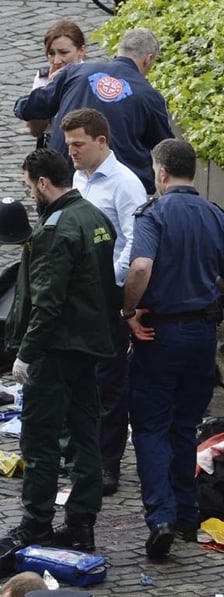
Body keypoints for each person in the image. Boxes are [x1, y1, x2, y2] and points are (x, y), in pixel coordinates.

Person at [2, 148, 117, 552]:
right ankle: (82, 524)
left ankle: (36, 522)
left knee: (41, 440)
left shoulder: (54, 231)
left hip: (56, 350)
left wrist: (26, 353)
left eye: (29, 186)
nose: (30, 192)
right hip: (90, 347)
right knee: (86, 437)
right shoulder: (94, 217)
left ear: (43, 184)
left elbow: (47, 302)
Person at [121, 139, 224, 560]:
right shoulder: (216, 215)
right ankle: (186, 515)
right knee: (186, 425)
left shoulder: (155, 212)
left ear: (160, 173)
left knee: (150, 426)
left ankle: (161, 517)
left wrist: (128, 309)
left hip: (160, 333)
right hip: (202, 336)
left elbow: (141, 266)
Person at [61, 107, 147, 497]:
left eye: (78, 145)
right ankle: (82, 452)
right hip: (80, 294)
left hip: (107, 293)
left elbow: (134, 243)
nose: (72, 152)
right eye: (68, 145)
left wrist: (107, 280)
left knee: (110, 384)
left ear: (101, 141)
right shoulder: (80, 176)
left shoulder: (126, 185)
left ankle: (107, 463)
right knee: (81, 377)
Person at [14, 28, 173, 194]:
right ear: (148, 59)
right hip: (119, 189)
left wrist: (22, 104)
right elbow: (166, 148)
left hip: (62, 181)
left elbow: (31, 107)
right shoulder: (150, 96)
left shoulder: (74, 72)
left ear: (119, 51)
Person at [25, 20, 86, 149]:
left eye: (64, 53)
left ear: (81, 51)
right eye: (51, 54)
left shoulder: (91, 78)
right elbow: (35, 130)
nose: (57, 61)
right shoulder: (43, 79)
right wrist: (49, 91)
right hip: (52, 147)